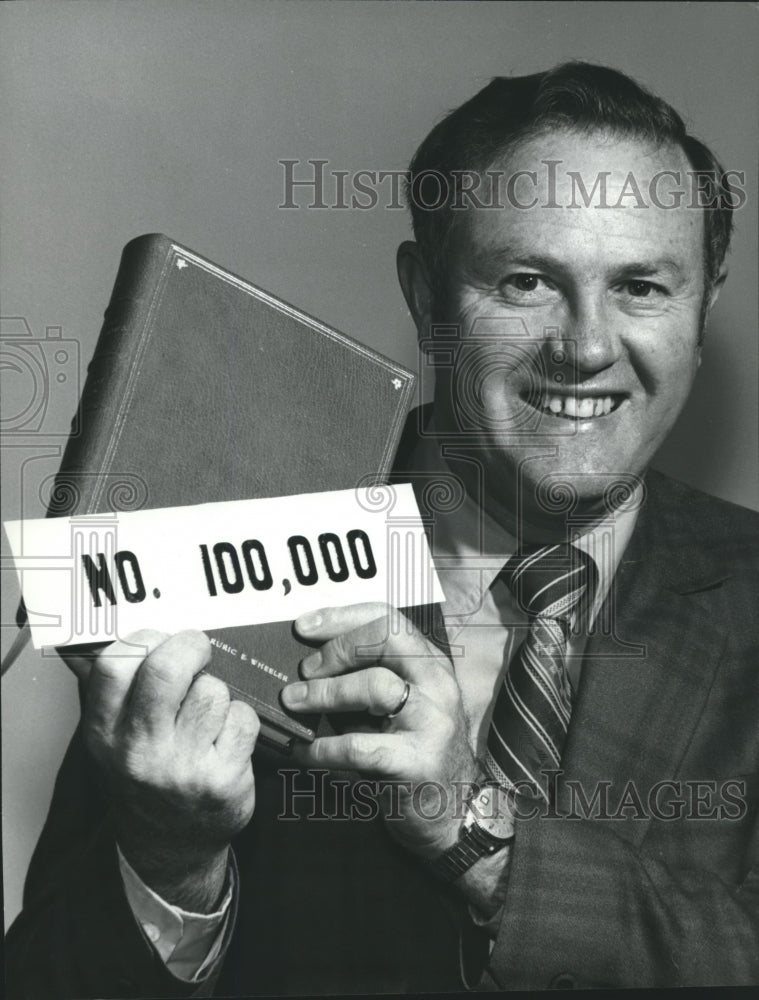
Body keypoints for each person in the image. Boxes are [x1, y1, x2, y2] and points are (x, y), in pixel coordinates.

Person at [6, 62, 759, 996]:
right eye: (525, 281)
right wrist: (172, 864)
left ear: (703, 310)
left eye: (641, 287)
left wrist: (474, 835)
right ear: (424, 292)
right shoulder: (212, 537)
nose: (586, 345)